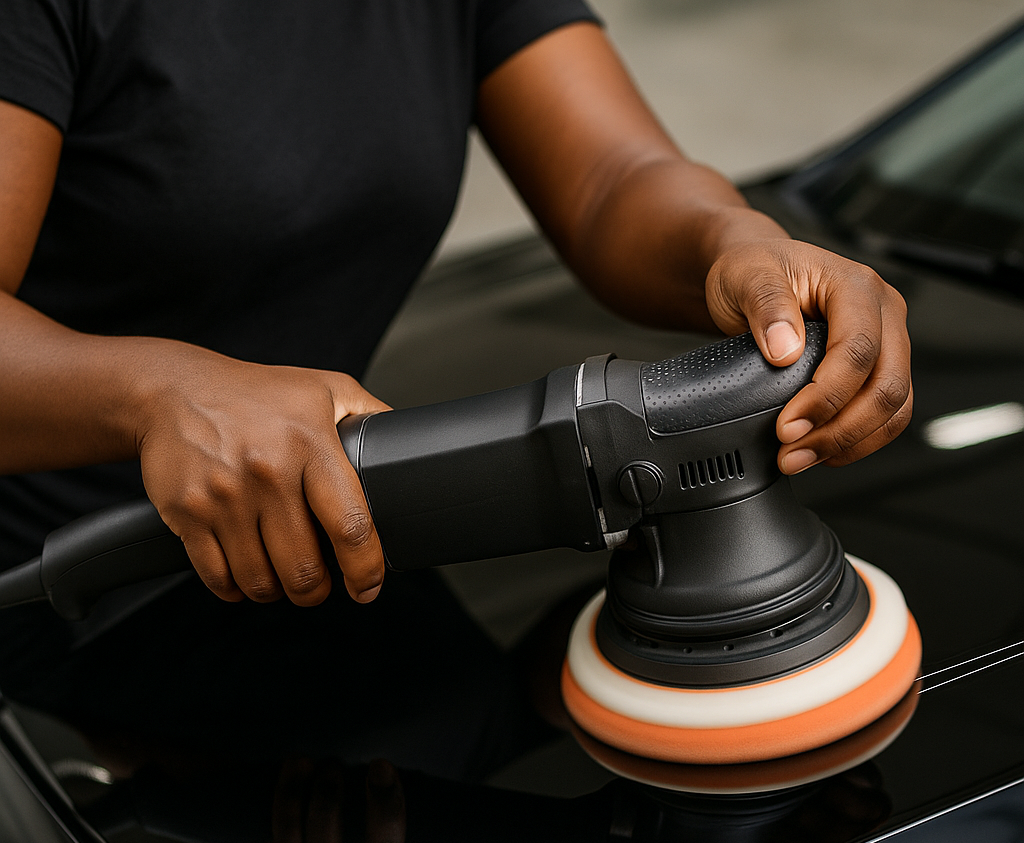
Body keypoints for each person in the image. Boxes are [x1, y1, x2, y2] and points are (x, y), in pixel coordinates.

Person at [0, 2, 911, 644]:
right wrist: (158, 393)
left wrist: (740, 243)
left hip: (313, 548)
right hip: (54, 591)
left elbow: (611, 183)